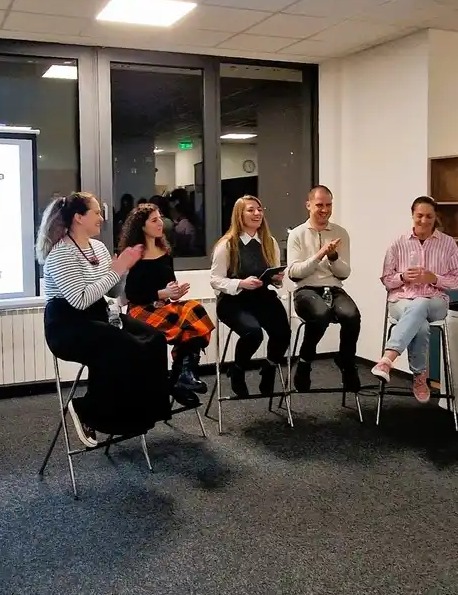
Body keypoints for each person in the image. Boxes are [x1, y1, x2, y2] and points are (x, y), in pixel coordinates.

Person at [37, 192, 179, 449]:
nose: (101, 218)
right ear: (78, 217)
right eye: (96, 213)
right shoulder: (60, 254)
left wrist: (123, 272)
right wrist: (117, 269)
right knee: (121, 345)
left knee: (154, 339)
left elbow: (112, 292)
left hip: (98, 314)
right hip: (67, 324)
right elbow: (80, 300)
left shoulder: (99, 248)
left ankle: (140, 413)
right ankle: (86, 409)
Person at [371, 196, 458, 403]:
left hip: (435, 302)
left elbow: (456, 281)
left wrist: (434, 278)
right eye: (420, 215)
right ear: (412, 215)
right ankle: (420, 377)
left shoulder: (448, 244)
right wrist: (402, 277)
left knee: (421, 302)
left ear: (435, 217)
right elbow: (387, 280)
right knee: (420, 325)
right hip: (401, 301)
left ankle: (388, 358)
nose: (424, 220)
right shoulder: (398, 243)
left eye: (429, 216)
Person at [120, 203, 214, 399]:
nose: (160, 223)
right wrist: (161, 293)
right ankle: (179, 378)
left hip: (163, 307)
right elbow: (131, 294)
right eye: (154, 220)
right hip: (140, 311)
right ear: (142, 226)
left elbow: (170, 287)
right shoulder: (133, 255)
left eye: (160, 219)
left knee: (194, 311)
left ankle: (182, 376)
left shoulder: (165, 252)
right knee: (188, 321)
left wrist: (175, 293)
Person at [210, 195, 290, 397]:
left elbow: (272, 276)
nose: (257, 214)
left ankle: (269, 368)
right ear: (239, 215)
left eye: (259, 210)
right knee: (253, 334)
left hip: (262, 298)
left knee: (283, 333)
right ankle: (237, 370)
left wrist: (276, 278)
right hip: (233, 301)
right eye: (251, 210)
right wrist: (240, 283)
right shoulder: (227, 244)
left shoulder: (269, 242)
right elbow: (215, 280)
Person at [286, 185, 360, 392]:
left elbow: (344, 273)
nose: (325, 210)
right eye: (319, 205)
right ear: (308, 205)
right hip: (306, 290)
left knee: (352, 315)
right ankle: (305, 361)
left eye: (328, 205)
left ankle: (346, 361)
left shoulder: (340, 233)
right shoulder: (297, 234)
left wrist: (333, 257)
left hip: (333, 288)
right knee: (321, 314)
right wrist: (320, 254)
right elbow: (294, 273)